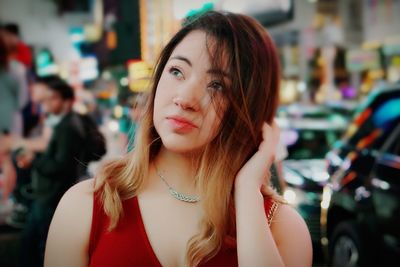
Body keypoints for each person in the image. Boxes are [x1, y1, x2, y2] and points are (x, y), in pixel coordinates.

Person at [45, 11, 312, 267]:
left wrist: (246, 190)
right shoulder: (86, 206)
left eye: (217, 86)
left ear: (249, 110)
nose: (184, 99)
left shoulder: (280, 227)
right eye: (176, 71)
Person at [17, 76, 85, 267]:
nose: (46, 103)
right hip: (49, 196)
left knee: (37, 249)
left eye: (52, 98)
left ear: (66, 101)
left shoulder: (67, 127)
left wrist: (34, 161)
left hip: (50, 197)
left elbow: (60, 167)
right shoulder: (61, 124)